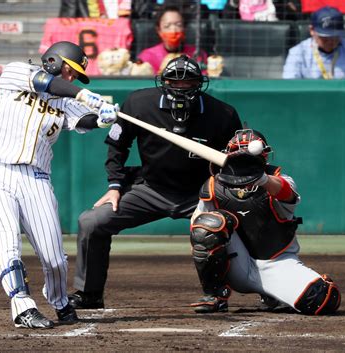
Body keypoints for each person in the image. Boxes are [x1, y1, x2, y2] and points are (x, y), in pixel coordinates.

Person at [69, 54, 243, 309]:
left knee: (236, 224)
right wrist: (115, 186)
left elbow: (234, 161)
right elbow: (117, 145)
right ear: (163, 82)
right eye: (174, 81)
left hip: (200, 193)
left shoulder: (222, 114)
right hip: (150, 188)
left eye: (188, 82)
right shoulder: (139, 104)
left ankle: (221, 293)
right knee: (92, 221)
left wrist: (227, 195)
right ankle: (89, 294)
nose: (181, 87)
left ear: (200, 83)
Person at [0, 41, 119, 329]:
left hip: (37, 180)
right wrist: (84, 94)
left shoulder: (65, 101)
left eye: (76, 75)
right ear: (54, 61)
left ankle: (59, 300)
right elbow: (46, 83)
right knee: (9, 244)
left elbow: (85, 119)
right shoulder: (14, 73)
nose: (72, 78)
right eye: (70, 70)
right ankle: (22, 307)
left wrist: (104, 119)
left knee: (54, 258)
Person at [189, 129, 341, 315]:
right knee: (207, 226)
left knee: (322, 299)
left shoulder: (280, 180)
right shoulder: (213, 185)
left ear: (265, 155)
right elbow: (197, 230)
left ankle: (273, 293)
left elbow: (285, 192)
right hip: (237, 264)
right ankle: (215, 295)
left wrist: (261, 178)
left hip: (277, 263)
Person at [283, 6, 345, 80]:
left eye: (334, 37)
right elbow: (289, 82)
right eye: (325, 37)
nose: (330, 42)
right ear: (312, 30)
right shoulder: (298, 52)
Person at [137, 5, 208, 74]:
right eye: (167, 26)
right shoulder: (147, 57)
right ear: (159, 30)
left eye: (178, 25)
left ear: (184, 28)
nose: (173, 30)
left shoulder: (197, 54)